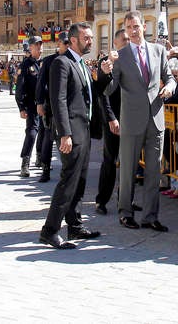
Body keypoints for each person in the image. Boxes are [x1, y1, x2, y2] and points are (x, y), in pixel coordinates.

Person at [101, 10, 176, 232]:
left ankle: (151, 216)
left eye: (136, 26)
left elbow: (169, 77)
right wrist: (105, 72)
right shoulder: (120, 56)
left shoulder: (159, 51)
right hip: (132, 122)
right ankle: (125, 213)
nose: (132, 31)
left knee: (154, 171)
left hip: (156, 120)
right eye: (128, 28)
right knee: (128, 171)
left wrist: (170, 88)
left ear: (144, 27)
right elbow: (108, 89)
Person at [39, 23, 100, 250]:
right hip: (71, 133)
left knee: (80, 180)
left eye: (91, 37)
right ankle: (50, 230)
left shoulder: (81, 64)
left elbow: (90, 95)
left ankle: (74, 224)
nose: (91, 41)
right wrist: (64, 133)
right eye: (87, 38)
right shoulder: (61, 63)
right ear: (73, 40)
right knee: (68, 181)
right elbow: (58, 100)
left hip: (83, 130)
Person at [94, 29, 129, 215]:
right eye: (124, 40)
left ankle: (125, 201)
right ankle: (101, 201)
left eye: (129, 40)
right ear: (115, 43)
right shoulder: (106, 63)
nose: (127, 42)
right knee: (109, 160)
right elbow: (102, 94)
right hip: (113, 119)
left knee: (129, 162)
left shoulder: (133, 61)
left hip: (131, 119)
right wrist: (111, 118)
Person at [35, 32, 70, 183]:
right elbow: (41, 83)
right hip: (51, 106)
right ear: (59, 43)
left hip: (68, 106)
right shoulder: (49, 61)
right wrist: (39, 103)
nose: (68, 46)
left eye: (70, 43)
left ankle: (66, 170)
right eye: (66, 43)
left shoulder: (72, 59)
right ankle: (45, 168)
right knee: (48, 138)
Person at [15, 36, 44, 178]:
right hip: (31, 104)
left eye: (40, 45)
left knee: (44, 133)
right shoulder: (26, 65)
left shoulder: (45, 63)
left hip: (45, 104)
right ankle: (25, 163)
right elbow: (19, 88)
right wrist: (21, 107)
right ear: (30, 48)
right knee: (32, 132)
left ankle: (40, 158)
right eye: (36, 46)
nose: (39, 48)